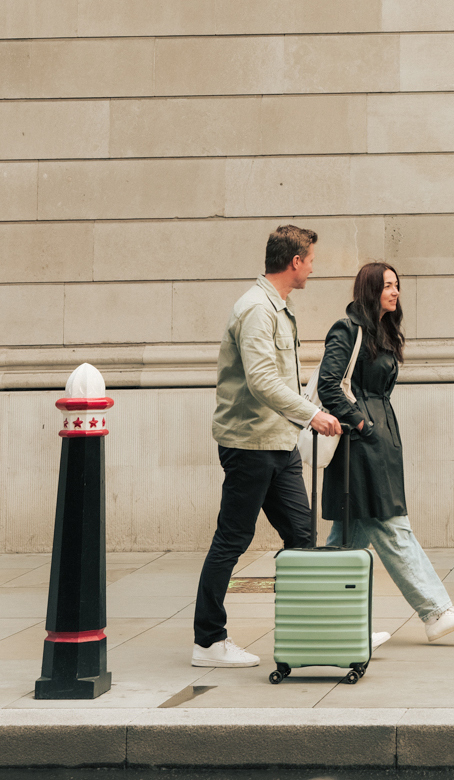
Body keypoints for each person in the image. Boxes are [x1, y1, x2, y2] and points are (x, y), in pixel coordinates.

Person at [192, 225, 344, 668]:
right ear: (295, 261)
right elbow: (261, 381)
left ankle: (313, 628)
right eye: (311, 259)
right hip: (250, 445)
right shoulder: (257, 309)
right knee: (233, 539)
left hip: (279, 442)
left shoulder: (279, 307)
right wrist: (311, 413)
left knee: (301, 535)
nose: (313, 268)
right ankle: (208, 641)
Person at [318, 262, 454, 643]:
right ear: (371, 289)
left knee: (347, 540)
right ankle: (436, 611)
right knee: (393, 527)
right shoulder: (348, 330)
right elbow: (329, 384)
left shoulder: (381, 332)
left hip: (378, 440)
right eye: (387, 286)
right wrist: (362, 424)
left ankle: (338, 625)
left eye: (396, 285)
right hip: (360, 446)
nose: (395, 292)